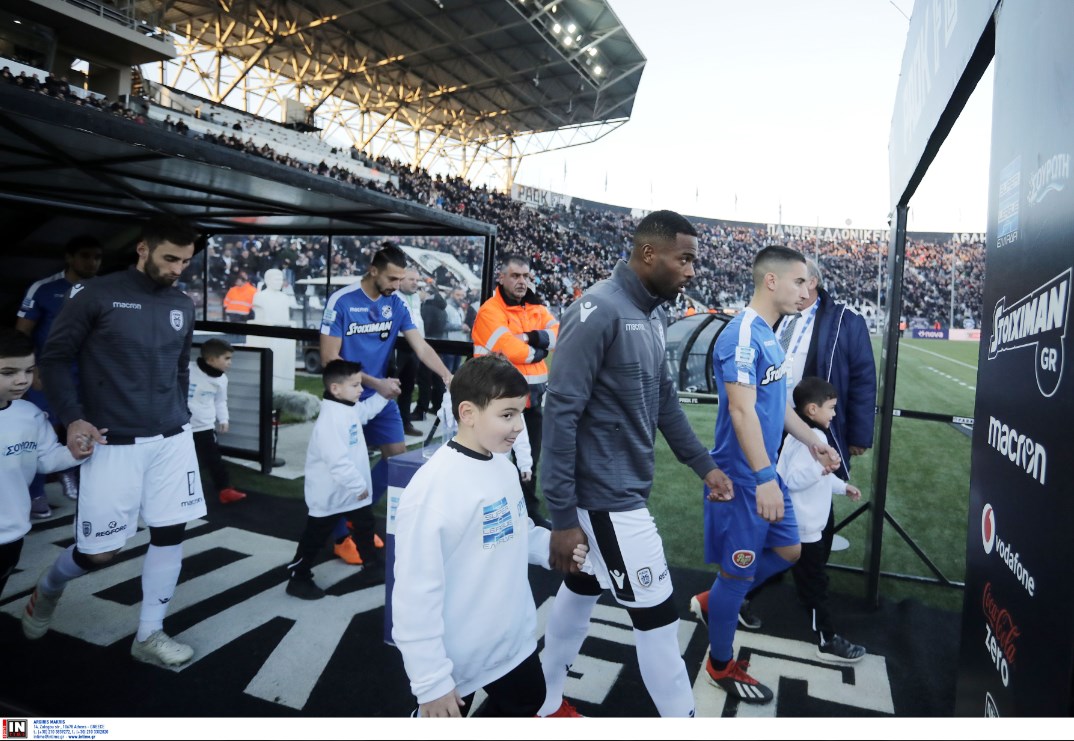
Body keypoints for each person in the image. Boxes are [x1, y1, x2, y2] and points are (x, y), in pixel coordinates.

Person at [537, 210, 733, 718]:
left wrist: (704, 465)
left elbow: (664, 400)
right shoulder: (597, 309)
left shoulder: (653, 315)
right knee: (660, 624)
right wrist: (562, 518)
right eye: (683, 259)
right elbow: (560, 414)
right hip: (607, 501)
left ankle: (545, 703)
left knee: (580, 591)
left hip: (618, 494)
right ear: (649, 254)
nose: (691, 270)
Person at [22, 215, 207, 668]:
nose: (178, 269)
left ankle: (149, 634)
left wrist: (181, 413)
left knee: (170, 534)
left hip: (172, 439)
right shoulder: (95, 293)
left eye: (185, 261)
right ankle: (48, 587)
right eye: (170, 258)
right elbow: (55, 357)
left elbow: (180, 366)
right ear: (143, 249)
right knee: (100, 553)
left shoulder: (182, 302)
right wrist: (72, 419)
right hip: (112, 442)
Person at [391, 355, 588, 717]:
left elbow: (514, 531)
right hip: (455, 658)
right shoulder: (433, 491)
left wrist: (553, 549)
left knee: (530, 699)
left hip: (511, 641)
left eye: (520, 413)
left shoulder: (502, 466)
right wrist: (431, 682)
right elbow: (413, 596)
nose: (518, 427)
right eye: (507, 415)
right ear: (467, 413)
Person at [694, 245, 839, 705]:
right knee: (738, 573)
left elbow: (776, 407)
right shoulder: (741, 335)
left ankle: (715, 600)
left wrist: (814, 440)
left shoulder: (770, 334)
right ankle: (720, 664)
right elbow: (741, 412)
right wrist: (764, 478)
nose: (806, 291)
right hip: (743, 477)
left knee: (790, 550)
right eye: (799, 282)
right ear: (771, 281)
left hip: (762, 470)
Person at [319, 244, 454, 563]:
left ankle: (356, 517)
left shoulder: (396, 303)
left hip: (379, 397)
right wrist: (375, 382)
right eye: (392, 278)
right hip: (345, 399)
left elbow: (421, 347)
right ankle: (340, 537)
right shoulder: (342, 301)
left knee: (396, 459)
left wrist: (448, 376)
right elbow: (329, 359)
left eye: (400, 279)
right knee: (342, 468)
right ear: (373, 270)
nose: (397, 285)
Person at [776, 376, 865, 661]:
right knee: (815, 585)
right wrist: (821, 470)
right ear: (812, 410)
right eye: (832, 408)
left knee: (776, 570)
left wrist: (841, 486)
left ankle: (737, 601)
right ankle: (827, 640)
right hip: (804, 529)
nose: (835, 414)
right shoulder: (813, 440)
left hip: (804, 526)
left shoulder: (804, 436)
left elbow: (818, 478)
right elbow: (792, 480)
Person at [285, 359, 390, 599]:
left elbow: (365, 412)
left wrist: (384, 396)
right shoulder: (330, 420)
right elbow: (337, 461)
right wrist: (358, 485)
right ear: (335, 389)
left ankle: (371, 566)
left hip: (351, 492)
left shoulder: (347, 407)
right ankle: (298, 577)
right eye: (355, 385)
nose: (361, 389)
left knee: (365, 526)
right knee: (315, 537)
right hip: (330, 494)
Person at [15, 235, 103, 515]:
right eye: (86, 256)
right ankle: (35, 493)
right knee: (44, 432)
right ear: (69, 257)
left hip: (90, 375)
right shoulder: (44, 289)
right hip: (50, 374)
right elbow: (22, 333)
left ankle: (74, 475)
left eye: (97, 257)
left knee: (90, 429)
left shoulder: (104, 289)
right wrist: (32, 369)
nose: (92, 262)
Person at [471, 254, 560, 529]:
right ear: (501, 278)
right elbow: (511, 350)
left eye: (526, 276)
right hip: (498, 400)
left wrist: (531, 337)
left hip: (532, 400)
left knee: (529, 460)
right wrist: (540, 351)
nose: (522, 281)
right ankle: (490, 514)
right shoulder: (490, 310)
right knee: (495, 458)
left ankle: (528, 513)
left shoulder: (536, 307)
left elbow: (561, 333)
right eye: (515, 276)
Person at [0, 330, 86, 599]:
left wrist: (79, 452)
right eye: (8, 372)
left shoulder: (30, 415)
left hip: (11, 532)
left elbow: (46, 458)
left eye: (29, 370)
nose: (22, 380)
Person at [188, 338, 248, 504]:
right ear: (211, 359)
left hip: (205, 427)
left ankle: (225, 490)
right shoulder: (188, 370)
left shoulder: (222, 380)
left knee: (214, 459)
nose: (230, 362)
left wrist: (224, 419)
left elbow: (220, 401)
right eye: (226, 358)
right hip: (182, 426)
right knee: (181, 461)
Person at [394, 266, 425, 437]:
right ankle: (380, 430)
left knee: (408, 386)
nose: (415, 283)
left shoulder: (416, 298)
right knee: (391, 385)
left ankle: (404, 423)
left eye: (417, 280)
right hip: (398, 346)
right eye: (411, 279)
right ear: (401, 280)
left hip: (415, 346)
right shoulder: (393, 296)